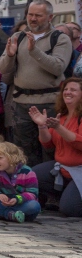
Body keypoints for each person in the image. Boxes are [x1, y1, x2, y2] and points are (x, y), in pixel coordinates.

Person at [0, 0, 74, 165]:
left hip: (50, 104)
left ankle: (50, 189)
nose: (32, 19)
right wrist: (10, 55)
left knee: (50, 150)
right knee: (23, 153)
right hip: (21, 103)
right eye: (30, 15)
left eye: (38, 15)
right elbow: (2, 69)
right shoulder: (18, 37)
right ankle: (28, 187)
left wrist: (34, 51)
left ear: (50, 17)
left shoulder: (60, 38)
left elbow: (58, 67)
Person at [29, 78, 82, 218]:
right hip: (63, 168)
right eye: (65, 89)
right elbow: (48, 144)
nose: (67, 92)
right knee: (32, 175)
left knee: (70, 209)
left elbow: (79, 142)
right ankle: (64, 194)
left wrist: (59, 127)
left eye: (73, 90)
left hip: (80, 169)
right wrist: (42, 126)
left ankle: (70, 198)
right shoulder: (62, 116)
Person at [0, 141, 40, 222]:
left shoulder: (27, 172)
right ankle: (10, 215)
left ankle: (0, 213)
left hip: (20, 205)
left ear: (12, 158)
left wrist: (17, 199)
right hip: (3, 204)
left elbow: (32, 193)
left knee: (34, 205)